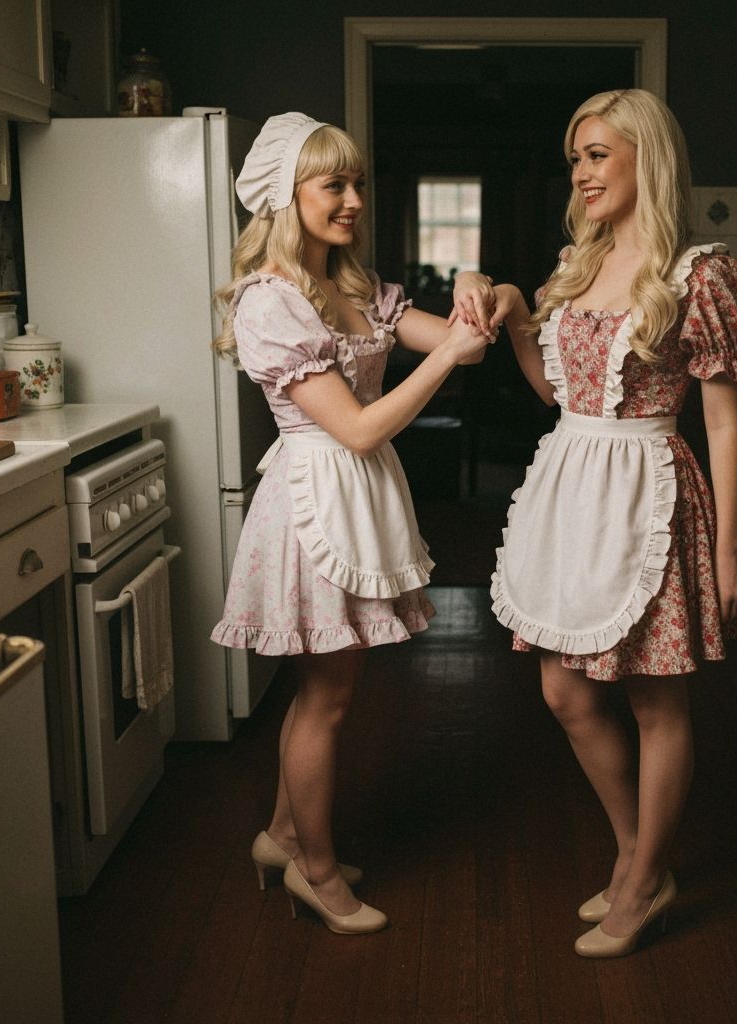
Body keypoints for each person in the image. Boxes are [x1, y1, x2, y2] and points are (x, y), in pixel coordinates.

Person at [476, 89, 737, 957]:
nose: (582, 172)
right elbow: (559, 396)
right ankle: (641, 854)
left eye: (597, 154)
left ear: (647, 157)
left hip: (650, 492)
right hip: (573, 488)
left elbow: (723, 420)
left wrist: (732, 552)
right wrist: (524, 318)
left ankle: (639, 882)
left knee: (652, 695)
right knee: (564, 687)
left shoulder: (700, 273)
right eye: (576, 158)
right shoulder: (577, 262)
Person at [210, 112, 494, 935]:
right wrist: (444, 356)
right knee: (327, 697)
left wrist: (475, 286)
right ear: (284, 196)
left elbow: (461, 342)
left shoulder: (357, 287)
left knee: (325, 692)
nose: (353, 200)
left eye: (357, 183)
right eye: (333, 184)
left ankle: (281, 837)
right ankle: (316, 871)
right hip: (313, 501)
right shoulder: (271, 301)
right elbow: (361, 427)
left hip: (358, 495)